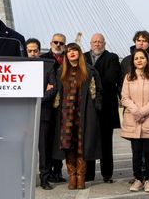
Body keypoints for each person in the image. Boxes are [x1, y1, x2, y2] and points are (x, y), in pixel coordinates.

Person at [53, 43, 102, 190]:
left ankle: (81, 177)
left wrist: (96, 108)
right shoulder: (61, 71)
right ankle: (72, 176)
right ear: (66, 55)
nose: (71, 53)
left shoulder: (89, 70)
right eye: (68, 51)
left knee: (82, 145)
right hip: (66, 114)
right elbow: (57, 92)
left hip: (84, 113)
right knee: (68, 146)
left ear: (79, 53)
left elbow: (99, 91)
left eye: (74, 50)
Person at [121, 48, 149, 193]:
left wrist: (143, 112)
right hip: (133, 119)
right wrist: (136, 111)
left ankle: (148, 179)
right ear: (133, 61)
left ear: (147, 60)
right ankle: (138, 178)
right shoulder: (128, 77)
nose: (139, 60)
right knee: (136, 151)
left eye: (142, 58)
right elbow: (124, 98)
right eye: (136, 58)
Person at [83, 33, 121, 183]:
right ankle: (88, 174)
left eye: (100, 42)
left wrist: (92, 85)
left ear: (104, 43)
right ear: (90, 43)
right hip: (88, 107)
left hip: (106, 108)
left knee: (106, 143)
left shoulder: (112, 58)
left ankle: (107, 174)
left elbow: (111, 79)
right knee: (89, 141)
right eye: (94, 42)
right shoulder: (83, 57)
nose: (97, 44)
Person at [27, 38, 58, 190]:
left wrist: (38, 99)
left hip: (43, 113)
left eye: (35, 51)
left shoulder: (48, 66)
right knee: (24, 148)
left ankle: (44, 179)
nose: (33, 53)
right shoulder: (19, 67)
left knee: (44, 149)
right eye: (30, 51)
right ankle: (26, 178)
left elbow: (53, 89)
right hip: (24, 114)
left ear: (39, 51)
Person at [41, 33, 67, 184]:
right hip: (47, 106)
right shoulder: (43, 59)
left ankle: (58, 171)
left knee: (59, 141)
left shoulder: (68, 59)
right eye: (56, 42)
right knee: (46, 142)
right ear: (51, 43)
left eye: (61, 43)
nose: (58, 45)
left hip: (63, 107)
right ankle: (47, 172)